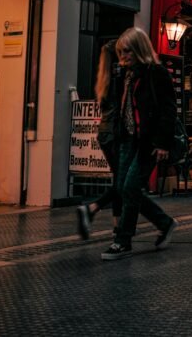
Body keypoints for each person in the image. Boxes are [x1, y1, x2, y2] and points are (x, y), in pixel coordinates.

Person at [100, 27, 178, 261]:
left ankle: (123, 240)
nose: (123, 57)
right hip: (126, 140)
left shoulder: (156, 73)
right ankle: (164, 222)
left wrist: (162, 143)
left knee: (130, 187)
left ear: (139, 50)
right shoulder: (125, 75)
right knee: (125, 189)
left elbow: (168, 110)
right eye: (120, 52)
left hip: (148, 142)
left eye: (127, 52)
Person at [76, 41, 123, 239]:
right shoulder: (118, 77)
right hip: (116, 132)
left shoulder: (103, 78)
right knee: (122, 181)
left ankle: (117, 223)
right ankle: (92, 209)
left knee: (119, 179)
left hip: (104, 132)